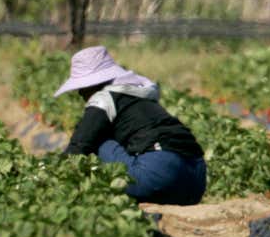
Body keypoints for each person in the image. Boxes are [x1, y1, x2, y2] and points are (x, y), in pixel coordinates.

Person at [55, 45, 207, 206]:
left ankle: (83, 199)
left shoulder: (103, 99)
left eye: (82, 88)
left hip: (158, 177)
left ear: (94, 83)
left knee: (96, 139)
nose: (80, 93)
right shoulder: (141, 97)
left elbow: (78, 146)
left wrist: (50, 177)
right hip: (195, 184)